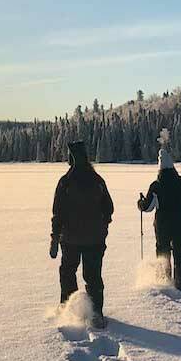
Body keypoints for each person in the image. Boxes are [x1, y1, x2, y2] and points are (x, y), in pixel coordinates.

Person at [50, 140, 115, 329]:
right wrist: (103, 226)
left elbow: (57, 213)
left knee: (68, 272)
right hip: (95, 239)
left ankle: (68, 310)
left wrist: (55, 237)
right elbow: (109, 208)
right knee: (93, 276)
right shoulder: (97, 180)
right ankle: (96, 314)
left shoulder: (65, 182)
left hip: (70, 239)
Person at [137, 146, 181, 290]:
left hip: (163, 226)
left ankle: (164, 282)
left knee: (163, 252)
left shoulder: (156, 186)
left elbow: (147, 208)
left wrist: (140, 203)